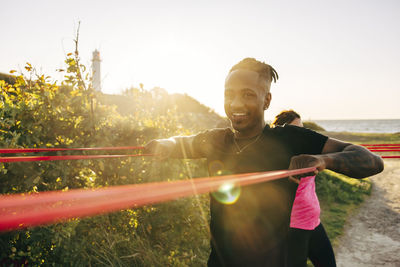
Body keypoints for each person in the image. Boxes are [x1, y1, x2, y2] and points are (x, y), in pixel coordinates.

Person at [145, 58, 384, 266]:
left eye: (248, 94)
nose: (236, 103)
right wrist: (165, 143)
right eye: (229, 94)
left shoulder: (290, 138)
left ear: (266, 100)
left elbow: (372, 161)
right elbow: (181, 142)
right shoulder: (216, 139)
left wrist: (322, 160)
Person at [272, 110, 336, 267]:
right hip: (294, 229)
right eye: (296, 130)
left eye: (302, 129)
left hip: (314, 222)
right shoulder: (279, 159)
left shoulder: (307, 154)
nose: (300, 135)